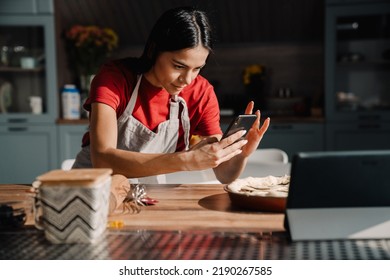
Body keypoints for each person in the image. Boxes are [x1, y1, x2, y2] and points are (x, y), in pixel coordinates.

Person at [73, 6, 270, 184]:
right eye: (178, 66)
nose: (187, 79)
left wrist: (240, 154)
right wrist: (185, 160)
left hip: (146, 194)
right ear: (153, 50)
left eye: (197, 68)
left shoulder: (201, 92)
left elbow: (224, 175)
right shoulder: (114, 78)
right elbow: (102, 159)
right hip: (90, 190)